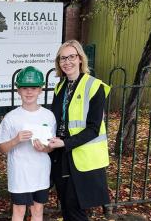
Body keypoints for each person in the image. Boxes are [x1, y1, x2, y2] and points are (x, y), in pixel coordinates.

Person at [48, 40, 110, 220]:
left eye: (71, 57)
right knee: (67, 208)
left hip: (83, 158)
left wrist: (65, 142)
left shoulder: (94, 86)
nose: (67, 62)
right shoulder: (60, 87)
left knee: (76, 210)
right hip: (61, 156)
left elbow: (93, 128)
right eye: (62, 58)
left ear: (81, 59)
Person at [0, 66, 56, 221]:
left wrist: (45, 149)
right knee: (18, 211)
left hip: (40, 172)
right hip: (20, 173)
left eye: (34, 88)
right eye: (25, 88)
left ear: (40, 90)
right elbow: (2, 148)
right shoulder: (11, 117)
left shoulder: (48, 116)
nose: (29, 92)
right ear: (18, 91)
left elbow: (51, 146)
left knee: (37, 211)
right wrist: (16, 140)